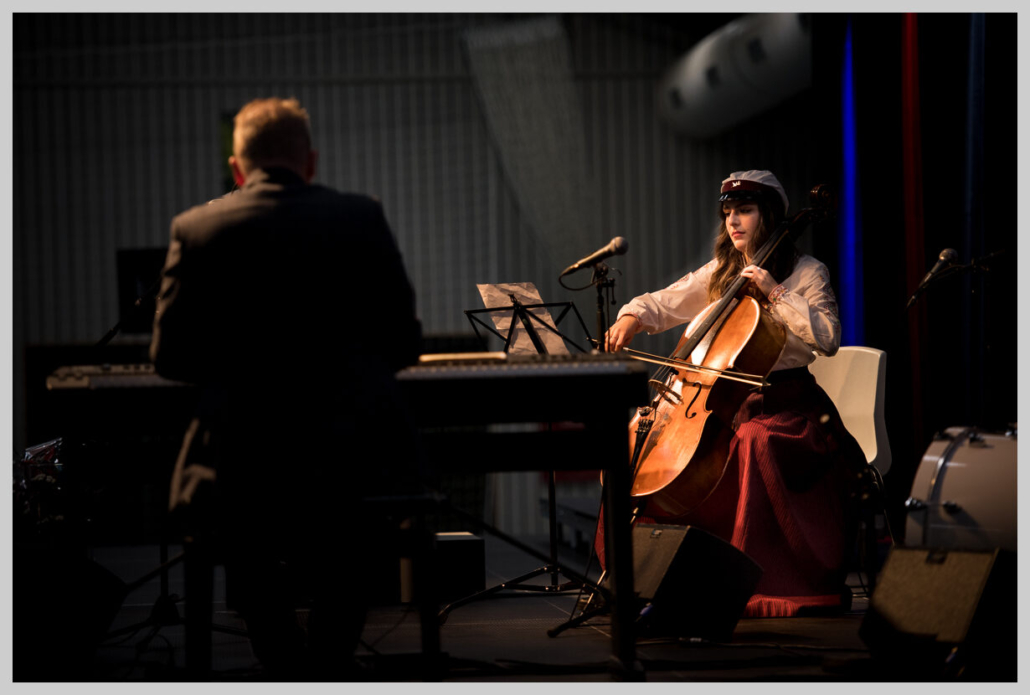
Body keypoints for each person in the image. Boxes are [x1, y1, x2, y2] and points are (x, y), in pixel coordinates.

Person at [151, 97, 422, 677]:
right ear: (311, 161)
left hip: (239, 465)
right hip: (349, 461)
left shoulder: (196, 228)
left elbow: (168, 356)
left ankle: (277, 653)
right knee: (355, 518)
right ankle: (328, 657)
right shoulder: (361, 217)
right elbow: (404, 343)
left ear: (236, 168)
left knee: (242, 519)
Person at [602, 170, 866, 618]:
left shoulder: (807, 272)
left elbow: (828, 338)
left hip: (790, 408)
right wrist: (633, 316)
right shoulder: (722, 273)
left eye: (744, 210)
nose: (733, 221)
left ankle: (757, 580)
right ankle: (657, 577)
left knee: (754, 440)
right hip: (730, 406)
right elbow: (667, 300)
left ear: (770, 216)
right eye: (728, 213)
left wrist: (774, 291)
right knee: (647, 456)